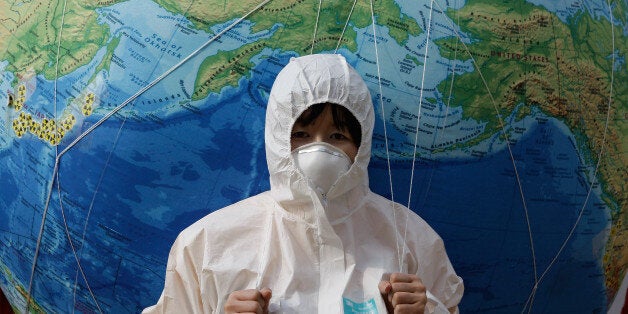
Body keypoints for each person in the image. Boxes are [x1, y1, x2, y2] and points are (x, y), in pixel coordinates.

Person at [143, 54, 463, 313]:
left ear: (362, 144)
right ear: (277, 137)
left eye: (338, 136)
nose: (319, 149)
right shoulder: (207, 245)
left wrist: (427, 310)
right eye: (301, 135)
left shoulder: (412, 239)